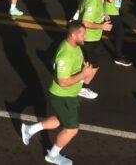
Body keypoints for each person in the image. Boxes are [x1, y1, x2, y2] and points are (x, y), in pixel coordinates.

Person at [21, 21, 97, 165]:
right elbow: (62, 82)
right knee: (71, 130)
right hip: (63, 96)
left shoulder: (75, 47)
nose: (85, 36)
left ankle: (30, 129)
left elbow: (79, 76)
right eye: (82, 33)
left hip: (70, 94)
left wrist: (86, 73)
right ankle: (53, 155)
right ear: (73, 35)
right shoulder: (65, 55)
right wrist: (83, 74)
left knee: (61, 120)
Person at [78, 0, 112, 99]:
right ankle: (81, 89)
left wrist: (104, 15)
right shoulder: (92, 1)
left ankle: (78, 81)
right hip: (89, 39)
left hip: (93, 38)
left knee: (88, 62)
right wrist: (102, 26)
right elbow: (86, 22)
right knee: (93, 65)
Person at [105, 0, 132, 66]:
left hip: (116, 7)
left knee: (98, 29)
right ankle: (118, 56)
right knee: (120, 32)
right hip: (108, 8)